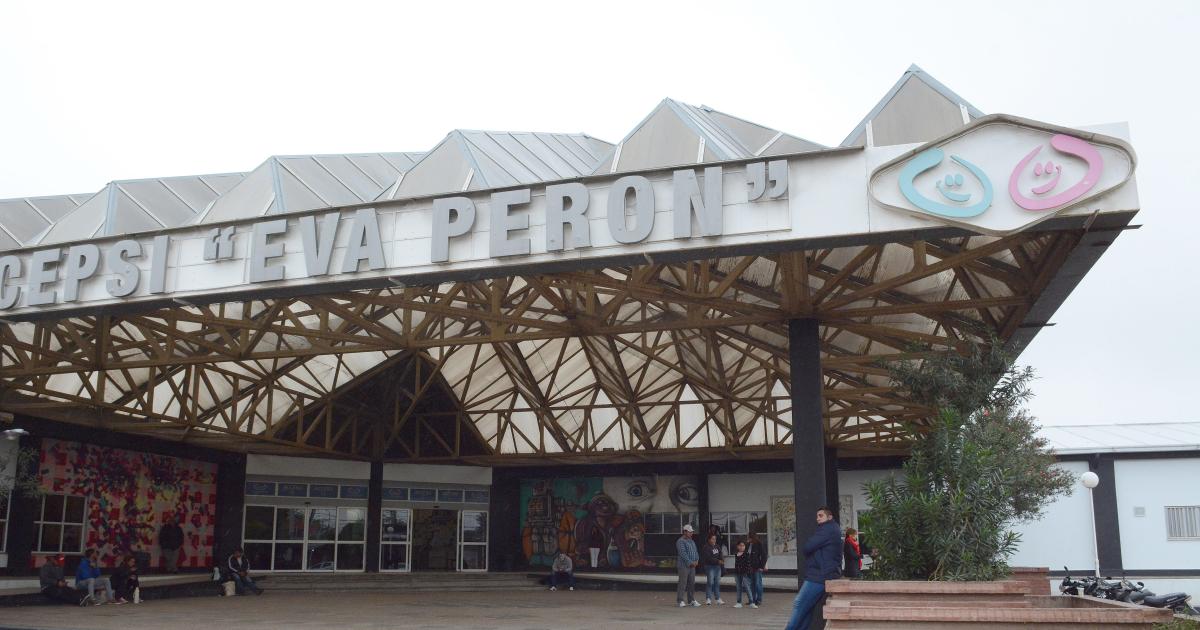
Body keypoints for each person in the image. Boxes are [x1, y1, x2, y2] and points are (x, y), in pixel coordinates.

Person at [785, 506, 843, 630]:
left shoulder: (827, 529)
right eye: (817, 516)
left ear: (830, 517)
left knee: (799, 604)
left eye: (821, 516)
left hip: (819, 575)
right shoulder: (832, 529)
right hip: (824, 573)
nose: (818, 518)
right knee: (807, 609)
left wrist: (812, 550)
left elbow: (807, 547)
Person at [675, 523, 700, 608]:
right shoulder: (680, 541)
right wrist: (690, 562)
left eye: (691, 532)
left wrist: (697, 560)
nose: (691, 533)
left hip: (692, 566)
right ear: (684, 532)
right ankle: (680, 601)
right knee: (683, 583)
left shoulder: (692, 541)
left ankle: (691, 600)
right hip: (683, 566)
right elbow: (683, 554)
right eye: (689, 532)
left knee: (691, 583)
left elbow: (696, 551)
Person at [700, 533, 724, 605]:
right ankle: (708, 598)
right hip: (709, 567)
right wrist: (717, 561)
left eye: (715, 539)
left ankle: (717, 598)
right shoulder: (706, 547)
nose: (714, 540)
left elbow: (720, 554)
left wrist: (721, 560)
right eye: (713, 539)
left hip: (717, 567)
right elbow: (708, 558)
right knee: (710, 582)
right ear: (709, 539)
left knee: (717, 582)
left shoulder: (717, 546)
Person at [744, 533, 767, 606]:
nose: (748, 539)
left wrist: (761, 566)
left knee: (758, 584)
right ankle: (752, 600)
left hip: (757, 568)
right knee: (752, 585)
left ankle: (759, 599)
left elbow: (764, 556)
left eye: (749, 538)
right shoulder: (748, 545)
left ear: (753, 538)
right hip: (749, 567)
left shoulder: (759, 544)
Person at [732, 540, 754, 609]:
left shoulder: (747, 554)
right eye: (740, 545)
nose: (742, 547)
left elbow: (748, 564)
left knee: (747, 587)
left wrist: (748, 573)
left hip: (745, 573)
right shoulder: (736, 554)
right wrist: (735, 573)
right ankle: (739, 602)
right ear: (737, 546)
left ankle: (751, 602)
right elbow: (736, 565)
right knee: (738, 588)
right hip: (737, 573)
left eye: (743, 546)